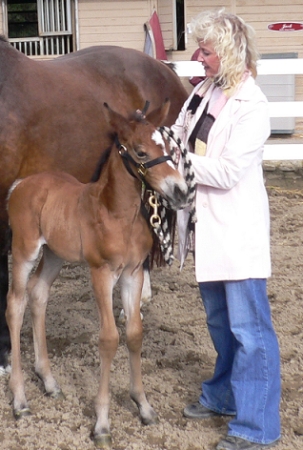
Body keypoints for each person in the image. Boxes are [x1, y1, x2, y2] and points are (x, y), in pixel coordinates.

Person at [171, 9, 281, 450]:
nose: (199, 56)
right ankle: (223, 396)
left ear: (230, 53)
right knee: (220, 323)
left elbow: (230, 170)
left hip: (236, 233)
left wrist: (174, 162)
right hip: (207, 228)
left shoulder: (252, 105)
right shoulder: (202, 93)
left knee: (250, 332)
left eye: (207, 50)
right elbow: (178, 134)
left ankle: (256, 429)